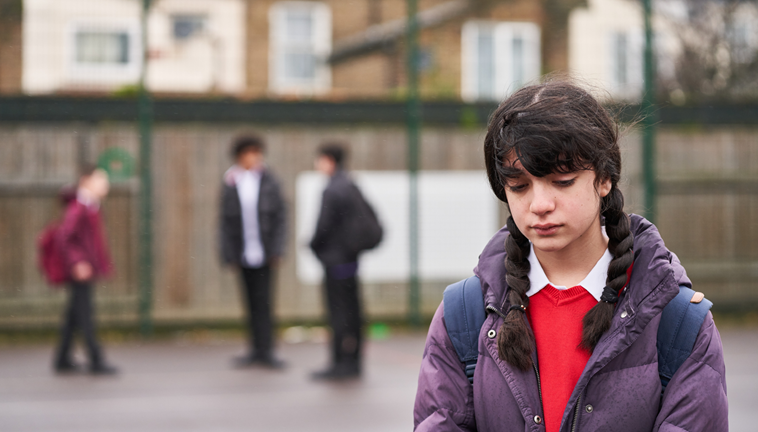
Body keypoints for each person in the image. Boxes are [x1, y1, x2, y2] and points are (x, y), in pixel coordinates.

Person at [413, 81, 728, 431]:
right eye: (519, 186)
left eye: (562, 181)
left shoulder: (679, 321)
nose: (539, 204)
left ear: (605, 178)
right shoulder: (464, 315)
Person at [310, 144, 377, 380]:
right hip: (351, 260)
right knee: (354, 311)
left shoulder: (332, 190)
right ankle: (355, 361)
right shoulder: (351, 185)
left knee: (337, 313)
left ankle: (339, 363)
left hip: (335, 261)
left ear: (328, 160)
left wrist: (313, 246)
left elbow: (322, 227)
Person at [219, 135, 286, 369]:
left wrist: (277, 250)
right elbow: (225, 222)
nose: (254, 157)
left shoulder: (270, 181)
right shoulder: (231, 181)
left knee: (265, 303)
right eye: (249, 153)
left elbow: (280, 218)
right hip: (243, 253)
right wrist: (229, 254)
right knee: (249, 303)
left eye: (257, 152)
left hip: (265, 253)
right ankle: (254, 349)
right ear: (240, 156)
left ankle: (268, 350)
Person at [53, 165, 118, 375]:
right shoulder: (79, 206)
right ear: (86, 181)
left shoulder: (91, 206)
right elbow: (66, 237)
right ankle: (96, 359)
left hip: (85, 269)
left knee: (74, 314)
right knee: (85, 315)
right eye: (101, 179)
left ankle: (62, 358)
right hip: (80, 271)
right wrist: (78, 262)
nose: (105, 184)